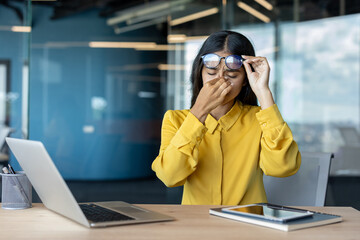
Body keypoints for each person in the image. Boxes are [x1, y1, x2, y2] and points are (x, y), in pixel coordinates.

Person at [152, 30, 301, 205]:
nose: (220, 81)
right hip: (197, 225)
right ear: (200, 73)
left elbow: (283, 167)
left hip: (249, 225)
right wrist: (198, 112)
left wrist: (263, 92)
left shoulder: (259, 119)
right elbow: (170, 177)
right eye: (211, 73)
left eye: (232, 76)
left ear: (245, 79)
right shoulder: (175, 119)